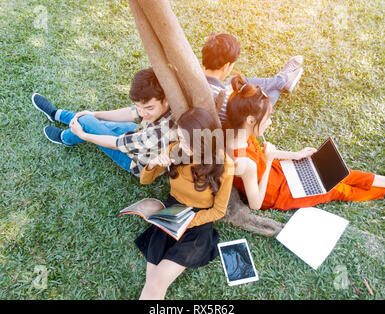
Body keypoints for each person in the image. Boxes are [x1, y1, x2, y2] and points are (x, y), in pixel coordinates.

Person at [225, 74, 385, 211]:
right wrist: (268, 162)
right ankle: (381, 192)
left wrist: (295, 155)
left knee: (337, 171)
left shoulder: (236, 132)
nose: (270, 123)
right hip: (278, 193)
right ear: (251, 120)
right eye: (267, 119)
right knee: (335, 188)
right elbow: (256, 204)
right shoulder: (244, 163)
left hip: (277, 170)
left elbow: (259, 153)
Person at [136, 107, 234, 300]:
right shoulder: (175, 150)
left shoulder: (224, 165)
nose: (182, 144)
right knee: (153, 282)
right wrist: (154, 163)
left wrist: (189, 221)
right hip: (171, 214)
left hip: (197, 224)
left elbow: (219, 210)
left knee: (156, 282)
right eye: (180, 137)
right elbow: (144, 180)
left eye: (188, 142)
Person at [31, 68, 178, 176]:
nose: (142, 112)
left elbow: (115, 143)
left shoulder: (159, 134)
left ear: (165, 100)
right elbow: (130, 113)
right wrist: (95, 114)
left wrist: (84, 136)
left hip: (136, 161)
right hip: (139, 133)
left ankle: (65, 137)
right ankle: (59, 115)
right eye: (139, 106)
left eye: (149, 108)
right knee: (92, 120)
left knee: (87, 123)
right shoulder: (168, 102)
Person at [201, 33, 304, 126]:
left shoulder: (194, 74)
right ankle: (282, 80)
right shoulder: (224, 99)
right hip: (244, 120)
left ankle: (281, 80)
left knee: (234, 80)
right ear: (226, 66)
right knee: (262, 103)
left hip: (210, 98)